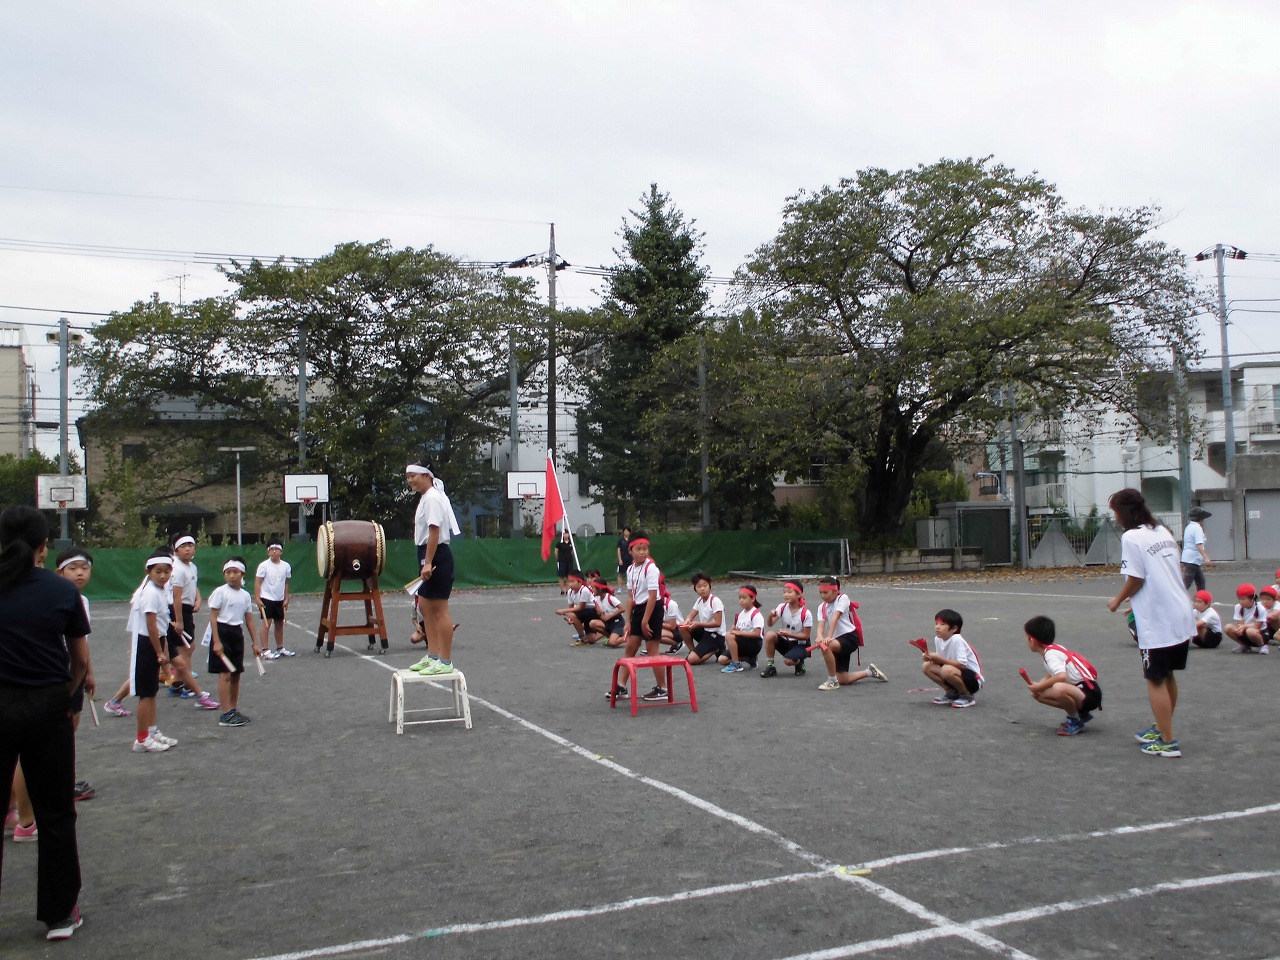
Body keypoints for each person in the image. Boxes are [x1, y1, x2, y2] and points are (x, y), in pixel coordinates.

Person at [0, 506, 89, 940]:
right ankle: (59, 914)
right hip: (47, 706)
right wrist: (63, 696)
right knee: (55, 812)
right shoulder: (61, 590)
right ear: (43, 547)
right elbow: (80, 661)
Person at [1106, 487, 1195, 759]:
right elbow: (1166, 572)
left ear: (1123, 512)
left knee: (1155, 679)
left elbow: (1136, 577)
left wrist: (1118, 599)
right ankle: (1162, 727)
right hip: (1180, 612)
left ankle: (1167, 741)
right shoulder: (1161, 531)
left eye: (1114, 512)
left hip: (1159, 620)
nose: (1114, 517)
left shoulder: (1131, 537)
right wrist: (1138, 603)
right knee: (1167, 675)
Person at [407, 465, 461, 675]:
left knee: (439, 609)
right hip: (425, 553)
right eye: (408, 476)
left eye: (413, 476)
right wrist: (425, 560)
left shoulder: (432, 498)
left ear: (426, 475)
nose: (410, 480)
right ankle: (432, 656)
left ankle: (445, 661)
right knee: (425, 607)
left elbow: (434, 532)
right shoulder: (425, 498)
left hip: (437, 555)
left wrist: (428, 562)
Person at [126, 551, 179, 753]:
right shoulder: (149, 593)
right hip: (146, 643)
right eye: (158, 571)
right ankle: (141, 739)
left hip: (155, 641)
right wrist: (159, 652)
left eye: (166, 571)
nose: (163, 575)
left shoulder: (160, 590)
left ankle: (152, 731)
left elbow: (160, 627)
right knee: (146, 694)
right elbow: (151, 625)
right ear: (149, 572)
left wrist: (162, 649)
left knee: (152, 692)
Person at [608, 531, 667, 702]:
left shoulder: (651, 568)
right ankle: (621, 687)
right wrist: (628, 621)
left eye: (645, 549)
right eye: (638, 549)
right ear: (630, 550)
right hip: (639, 609)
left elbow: (653, 596)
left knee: (652, 649)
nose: (642, 552)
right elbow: (630, 597)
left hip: (653, 609)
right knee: (630, 647)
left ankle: (662, 688)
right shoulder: (631, 569)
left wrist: (645, 621)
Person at [1022, 615, 1102, 736]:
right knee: (1040, 695)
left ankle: (1075, 720)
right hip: (1083, 692)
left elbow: (1061, 676)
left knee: (1058, 688)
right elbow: (1050, 674)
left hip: (1089, 693)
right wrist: (1038, 687)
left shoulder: (1051, 655)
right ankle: (1080, 714)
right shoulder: (1053, 649)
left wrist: (1038, 687)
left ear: (1032, 640)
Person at [165, 536, 220, 710]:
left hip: (186, 610)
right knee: (185, 649)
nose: (188, 549)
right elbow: (176, 597)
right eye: (183, 546)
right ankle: (188, 688)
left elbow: (192, 585)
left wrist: (198, 598)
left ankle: (177, 683)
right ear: (176, 550)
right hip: (177, 611)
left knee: (188, 647)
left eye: (191, 545)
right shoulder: (177, 569)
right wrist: (179, 621)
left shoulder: (191, 567)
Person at [208, 558, 263, 727]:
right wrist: (216, 641)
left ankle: (232, 709)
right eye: (228, 572)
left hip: (236, 634)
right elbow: (213, 618)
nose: (231, 576)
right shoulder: (220, 592)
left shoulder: (245, 595)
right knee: (225, 674)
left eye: (235, 572)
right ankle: (226, 714)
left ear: (242, 574)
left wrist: (255, 643)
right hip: (222, 632)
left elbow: (249, 620)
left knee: (236, 674)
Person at [813, 576, 887, 692]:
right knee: (843, 679)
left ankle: (832, 681)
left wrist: (828, 637)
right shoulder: (821, 607)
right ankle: (869, 672)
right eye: (820, 593)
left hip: (849, 637)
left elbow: (835, 618)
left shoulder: (842, 598)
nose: (823, 596)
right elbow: (821, 624)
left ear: (835, 590)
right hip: (837, 640)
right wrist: (819, 636)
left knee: (826, 646)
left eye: (825, 592)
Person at [920, 607, 982, 707]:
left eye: (942, 624)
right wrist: (930, 658)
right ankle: (952, 693)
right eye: (936, 623)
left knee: (946, 670)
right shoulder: (938, 639)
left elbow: (962, 665)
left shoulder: (957, 639)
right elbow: (941, 661)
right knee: (926, 666)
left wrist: (939, 659)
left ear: (954, 628)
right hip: (954, 671)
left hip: (972, 679)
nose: (937, 627)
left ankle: (967, 695)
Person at [760, 580, 813, 678]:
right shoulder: (782, 607)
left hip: (801, 645)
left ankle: (799, 662)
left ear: (798, 594)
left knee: (788, 661)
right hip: (787, 642)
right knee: (769, 635)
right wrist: (770, 616)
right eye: (784, 592)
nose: (786, 595)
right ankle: (771, 665)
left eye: (789, 592)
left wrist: (789, 634)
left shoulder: (806, 613)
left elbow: (806, 636)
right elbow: (770, 624)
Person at [254, 542, 294, 659]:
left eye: (277, 549)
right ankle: (265, 650)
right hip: (266, 598)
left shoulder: (286, 566)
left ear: (281, 551)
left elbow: (286, 583)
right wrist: (258, 598)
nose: (274, 551)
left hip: (279, 599)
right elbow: (258, 582)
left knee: (279, 623)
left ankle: (280, 648)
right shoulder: (263, 566)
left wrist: (286, 598)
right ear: (268, 551)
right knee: (267, 623)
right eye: (272, 549)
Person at [678, 573, 726, 666]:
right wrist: (687, 621)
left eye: (705, 585)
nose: (702, 589)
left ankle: (715, 649)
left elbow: (718, 623)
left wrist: (698, 624)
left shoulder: (715, 601)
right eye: (699, 586)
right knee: (683, 627)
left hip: (716, 635)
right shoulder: (699, 600)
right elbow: (690, 616)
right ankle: (692, 651)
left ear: (710, 586)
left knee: (691, 660)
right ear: (695, 589)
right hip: (706, 632)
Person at [720, 586, 764, 673]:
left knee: (729, 635)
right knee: (722, 660)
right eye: (740, 598)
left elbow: (757, 634)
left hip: (754, 644)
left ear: (753, 599)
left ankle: (736, 664)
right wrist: (735, 629)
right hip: (742, 643)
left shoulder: (756, 614)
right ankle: (749, 658)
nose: (741, 600)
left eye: (744, 598)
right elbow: (736, 629)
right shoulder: (740, 614)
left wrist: (738, 633)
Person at [1223, 583, 1268, 654]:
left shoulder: (1260, 608)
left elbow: (1256, 627)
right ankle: (1245, 645)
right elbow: (1240, 624)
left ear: (1252, 598)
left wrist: (1244, 627)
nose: (1240, 601)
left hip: (1260, 634)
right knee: (1228, 627)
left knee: (1250, 631)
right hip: (1246, 631)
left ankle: (1262, 646)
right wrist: (1239, 629)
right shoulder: (1238, 607)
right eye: (1239, 599)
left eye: (1243, 599)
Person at [585, 578, 626, 647]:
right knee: (592, 623)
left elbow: (622, 609)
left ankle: (628, 638)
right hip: (608, 622)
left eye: (593, 588)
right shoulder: (597, 599)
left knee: (612, 643)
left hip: (617, 622)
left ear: (600, 589)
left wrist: (609, 616)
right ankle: (610, 636)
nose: (592, 590)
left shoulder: (610, 598)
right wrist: (600, 613)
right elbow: (602, 613)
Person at [557, 572, 594, 645]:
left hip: (593, 612)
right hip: (585, 613)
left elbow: (581, 607)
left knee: (572, 614)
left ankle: (582, 638)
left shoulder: (584, 590)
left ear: (580, 582)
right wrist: (570, 618)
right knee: (591, 640)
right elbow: (571, 607)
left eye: (572, 582)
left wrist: (564, 611)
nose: (570, 584)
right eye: (569, 582)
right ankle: (586, 636)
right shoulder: (570, 592)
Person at [1180, 506, 1212, 591]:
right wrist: (1206, 558)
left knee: (1201, 582)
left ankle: (1201, 597)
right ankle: (1175, 598)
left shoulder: (1189, 527)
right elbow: (1199, 544)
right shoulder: (1197, 528)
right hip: (1192, 560)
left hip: (1192, 560)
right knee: (1186, 584)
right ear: (1200, 518)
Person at [555, 530, 575, 595]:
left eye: (567, 533)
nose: (565, 535)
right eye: (564, 534)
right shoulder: (559, 543)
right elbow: (556, 551)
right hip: (562, 562)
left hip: (569, 561)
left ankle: (568, 590)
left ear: (569, 534)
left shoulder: (571, 542)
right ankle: (562, 590)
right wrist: (559, 559)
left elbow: (572, 552)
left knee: (569, 576)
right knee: (561, 576)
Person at [615, 525, 632, 590]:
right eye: (625, 531)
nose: (627, 532)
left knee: (630, 573)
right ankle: (619, 588)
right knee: (620, 574)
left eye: (628, 531)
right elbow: (618, 550)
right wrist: (620, 559)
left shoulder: (631, 540)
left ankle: (630, 587)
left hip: (630, 559)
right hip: (623, 559)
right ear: (623, 532)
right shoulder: (620, 540)